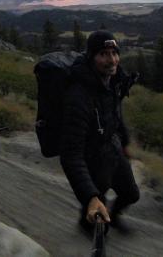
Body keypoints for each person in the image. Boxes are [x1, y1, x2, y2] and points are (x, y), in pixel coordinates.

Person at [60, 30, 140, 235]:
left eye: (114, 53)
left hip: (113, 148)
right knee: (98, 206)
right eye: (103, 54)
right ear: (92, 57)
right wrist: (90, 197)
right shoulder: (78, 98)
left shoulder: (113, 82)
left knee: (131, 194)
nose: (111, 60)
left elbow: (115, 115)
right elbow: (71, 156)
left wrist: (125, 143)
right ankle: (87, 224)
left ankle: (113, 217)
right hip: (92, 156)